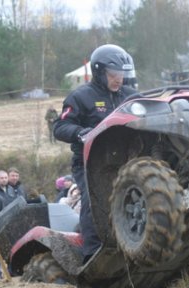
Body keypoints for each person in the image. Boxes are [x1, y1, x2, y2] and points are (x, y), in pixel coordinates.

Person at [54, 44, 137, 264]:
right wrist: (81, 132)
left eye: (121, 74)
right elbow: (59, 128)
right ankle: (92, 254)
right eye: (113, 75)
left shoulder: (131, 96)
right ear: (99, 72)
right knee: (94, 202)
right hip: (89, 163)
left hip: (126, 163)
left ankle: (135, 246)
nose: (118, 79)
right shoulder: (81, 97)